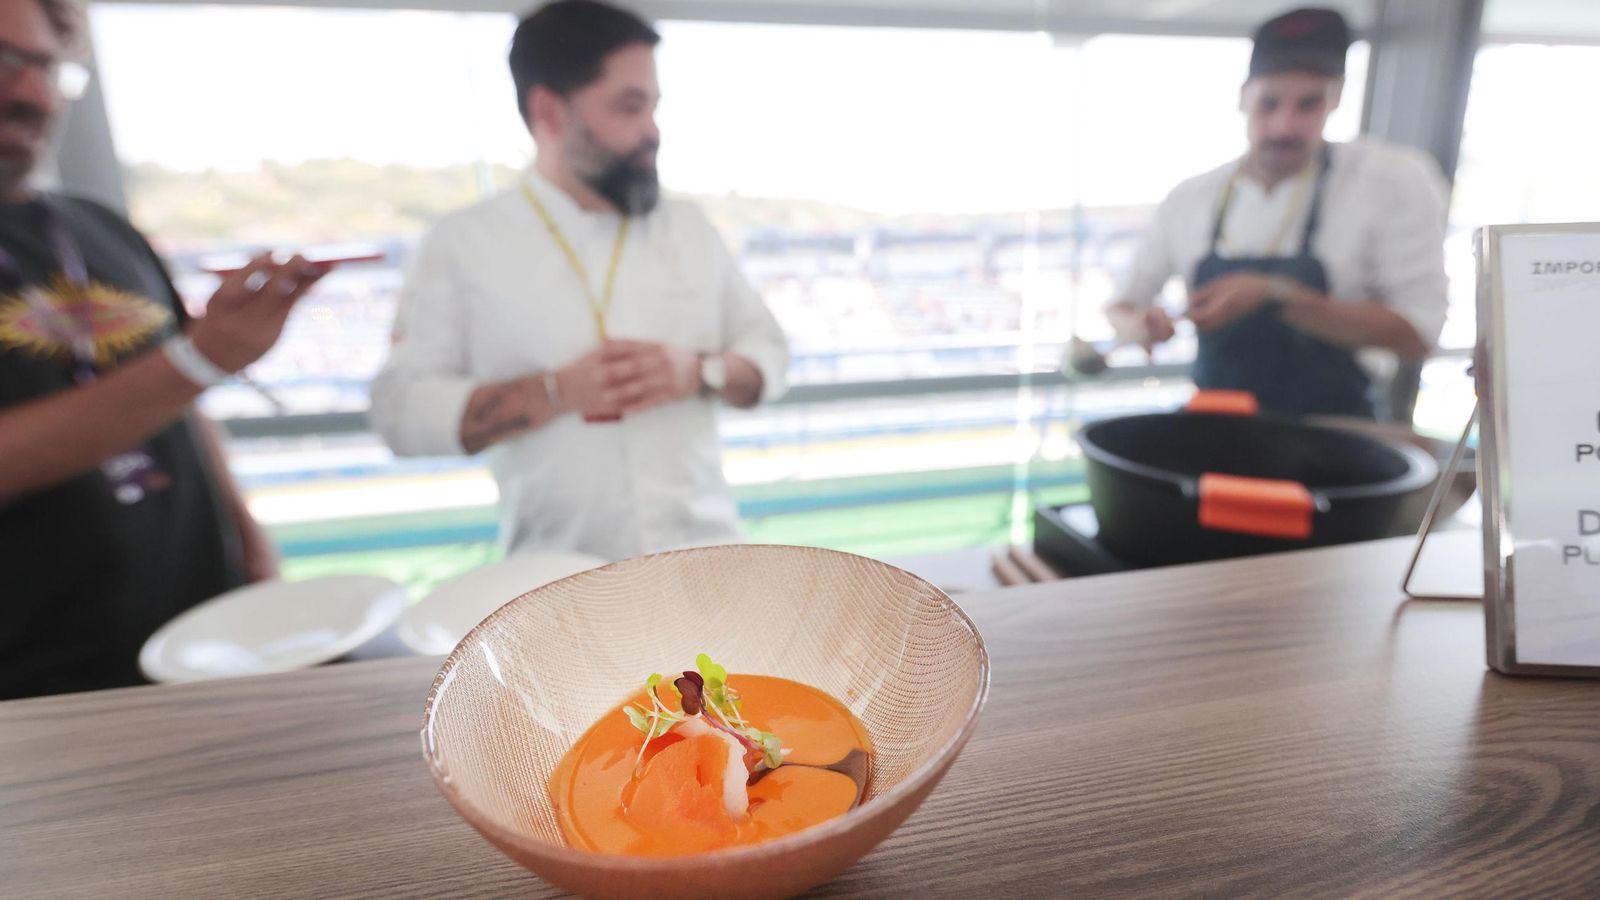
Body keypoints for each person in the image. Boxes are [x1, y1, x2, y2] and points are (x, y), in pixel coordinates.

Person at [370, 0, 789, 561]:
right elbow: (400, 414)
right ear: (550, 110)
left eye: (654, 107)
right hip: (550, 582)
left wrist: (698, 371)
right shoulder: (462, 243)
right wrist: (556, 392)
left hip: (708, 559)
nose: (652, 131)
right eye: (629, 107)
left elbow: (771, 354)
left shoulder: (687, 227)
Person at [0, 0, 329, 698]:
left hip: (207, 650)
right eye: (5, 60)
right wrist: (201, 359)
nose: (30, 91)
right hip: (34, 699)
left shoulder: (98, 226)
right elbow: (183, 373)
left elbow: (179, 407)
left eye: (47, 67)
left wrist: (256, 556)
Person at [1106, 7, 1449, 419]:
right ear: (1243, 96)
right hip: (1215, 428)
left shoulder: (1392, 183)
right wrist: (1138, 326)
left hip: (1337, 438)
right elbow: (1122, 306)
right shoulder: (1189, 198)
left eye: (1308, 105)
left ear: (1336, 97)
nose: (1285, 127)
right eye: (1269, 104)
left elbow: (1419, 335)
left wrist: (1274, 295)